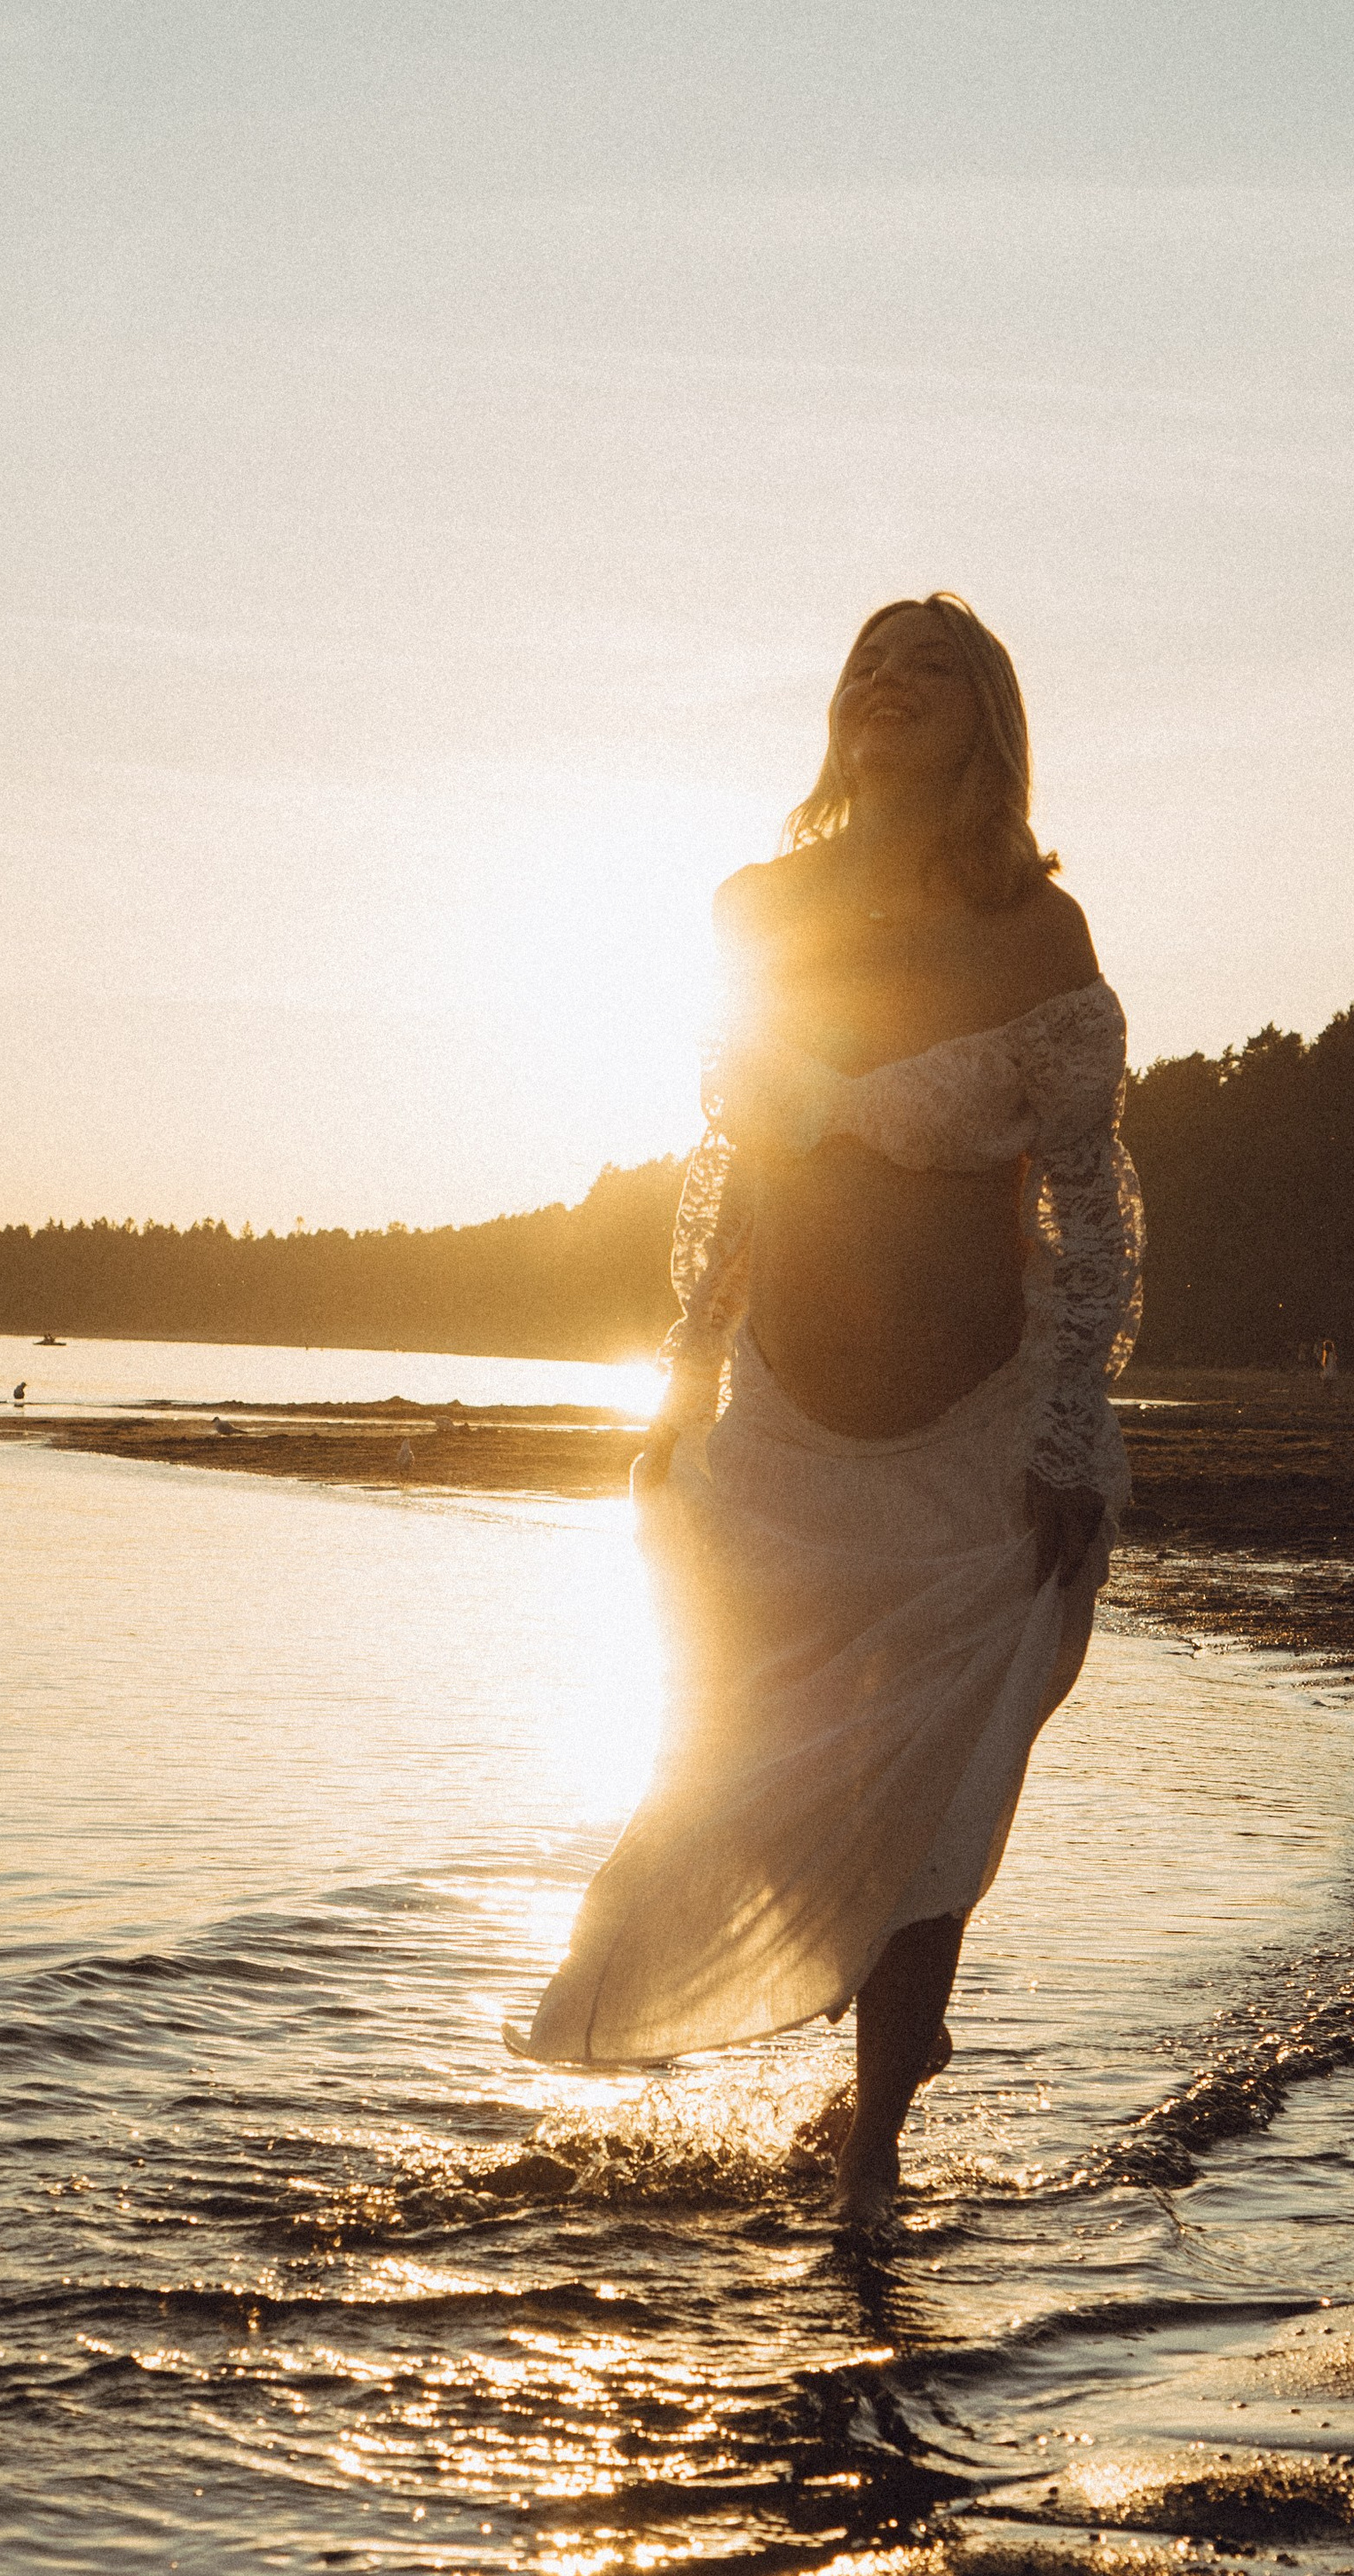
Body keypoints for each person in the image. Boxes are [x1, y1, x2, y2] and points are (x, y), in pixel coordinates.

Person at [517, 594, 1140, 2229]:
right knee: (756, 1754)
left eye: (929, 666)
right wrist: (683, 1373)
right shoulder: (758, 905)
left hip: (975, 1432)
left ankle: (875, 2131)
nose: (887, 684)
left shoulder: (1034, 935)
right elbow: (730, 1172)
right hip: (784, 1427)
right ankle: (829, 2016)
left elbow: (1086, 1196)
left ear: (989, 718)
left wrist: (1072, 1437)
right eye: (867, 662)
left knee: (938, 1767)